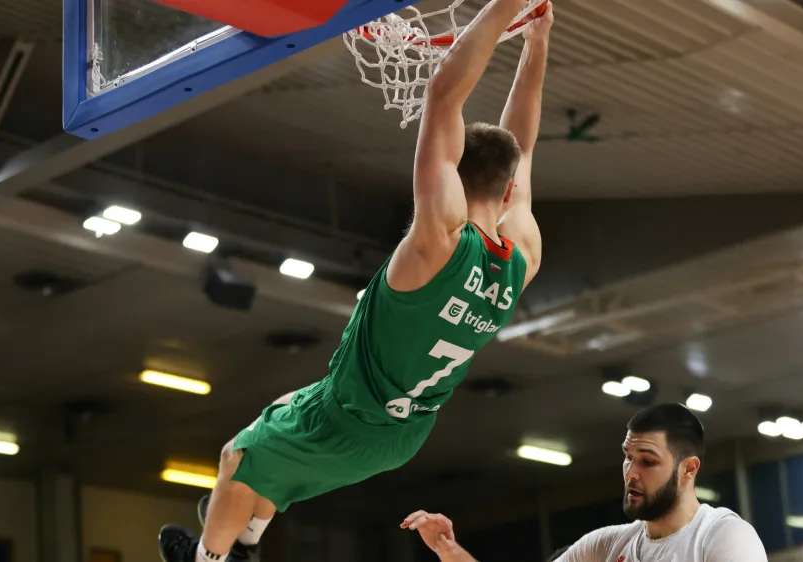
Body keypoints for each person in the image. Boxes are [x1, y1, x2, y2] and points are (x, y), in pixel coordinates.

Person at [157, 0, 551, 561]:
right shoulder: (523, 257)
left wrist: (510, 8)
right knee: (285, 412)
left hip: (349, 416)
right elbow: (525, 148)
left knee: (236, 459)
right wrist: (537, 45)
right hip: (402, 433)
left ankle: (209, 560)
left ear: (451, 178)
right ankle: (246, 539)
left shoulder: (437, 239)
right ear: (509, 193)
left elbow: (444, 93)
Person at [403, 403, 768, 562]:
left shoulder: (723, 536)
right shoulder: (606, 545)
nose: (631, 472)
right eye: (627, 456)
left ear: (689, 469)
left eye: (648, 461)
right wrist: (449, 551)